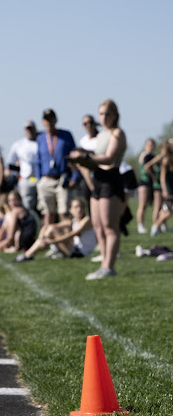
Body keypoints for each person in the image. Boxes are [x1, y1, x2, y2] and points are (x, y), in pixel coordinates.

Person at [69, 99, 127, 280]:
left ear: (115, 115)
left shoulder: (117, 133)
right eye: (101, 114)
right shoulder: (102, 135)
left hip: (111, 180)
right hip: (98, 180)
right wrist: (80, 161)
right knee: (99, 227)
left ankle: (109, 267)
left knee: (110, 227)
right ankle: (104, 264)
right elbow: (96, 159)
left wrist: (86, 156)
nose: (103, 117)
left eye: (107, 114)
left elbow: (109, 158)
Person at [13, 197, 96, 262]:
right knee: (51, 228)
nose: (79, 210)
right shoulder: (72, 221)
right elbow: (48, 226)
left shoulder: (87, 220)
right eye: (76, 207)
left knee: (52, 229)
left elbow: (72, 234)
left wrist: (51, 242)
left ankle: (28, 255)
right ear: (70, 210)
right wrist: (42, 237)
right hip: (74, 249)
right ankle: (29, 254)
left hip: (80, 254)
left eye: (81, 207)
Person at [35, 109, 78, 226]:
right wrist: (39, 180)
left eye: (51, 119)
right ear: (42, 121)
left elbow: (74, 158)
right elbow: (37, 161)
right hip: (46, 179)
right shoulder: (40, 138)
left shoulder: (66, 135)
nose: (49, 122)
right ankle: (49, 241)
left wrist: (74, 177)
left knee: (64, 212)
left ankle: (68, 241)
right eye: (46, 120)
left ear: (56, 120)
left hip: (62, 179)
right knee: (48, 214)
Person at [5, 120, 39, 211]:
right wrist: (21, 171)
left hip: (40, 177)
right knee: (27, 204)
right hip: (27, 178)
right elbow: (10, 163)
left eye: (31, 129)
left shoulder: (41, 142)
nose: (29, 131)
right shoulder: (19, 144)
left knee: (42, 204)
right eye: (27, 129)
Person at [136, 139, 158, 234]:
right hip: (144, 183)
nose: (150, 146)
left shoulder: (152, 156)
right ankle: (140, 226)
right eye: (149, 144)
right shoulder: (144, 155)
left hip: (151, 183)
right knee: (142, 205)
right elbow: (146, 167)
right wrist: (153, 177)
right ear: (145, 145)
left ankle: (158, 224)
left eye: (152, 144)